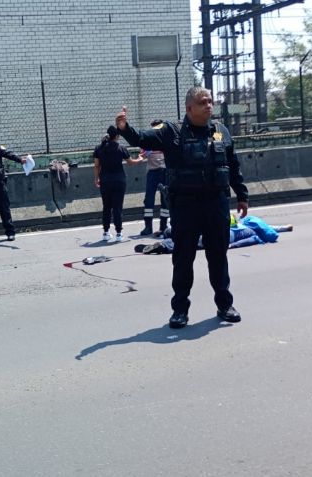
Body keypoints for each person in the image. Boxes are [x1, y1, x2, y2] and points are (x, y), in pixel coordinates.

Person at [116, 86, 249, 329]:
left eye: (210, 101)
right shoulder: (171, 131)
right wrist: (125, 129)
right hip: (185, 206)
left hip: (216, 204)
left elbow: (232, 165)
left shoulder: (221, 132)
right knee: (183, 259)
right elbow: (142, 138)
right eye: (202, 102)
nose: (209, 105)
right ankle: (179, 310)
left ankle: (224, 305)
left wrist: (241, 195)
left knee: (218, 257)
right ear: (189, 108)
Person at [135, 216, 293, 254]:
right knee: (195, 244)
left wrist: (286, 227)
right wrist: (232, 246)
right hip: (227, 236)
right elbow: (252, 239)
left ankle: (166, 235)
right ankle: (164, 245)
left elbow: (274, 228)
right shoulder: (256, 232)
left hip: (216, 228)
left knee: (191, 235)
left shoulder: (245, 221)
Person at [93, 125, 138, 242]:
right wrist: (140, 158)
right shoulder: (121, 148)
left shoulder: (99, 148)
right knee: (117, 207)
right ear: (117, 136)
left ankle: (106, 232)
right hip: (119, 180)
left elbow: (97, 165)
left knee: (106, 207)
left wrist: (96, 178)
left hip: (105, 181)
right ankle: (119, 233)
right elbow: (131, 162)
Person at [129, 120, 169, 236]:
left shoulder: (166, 140)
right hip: (153, 172)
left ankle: (163, 225)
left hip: (164, 171)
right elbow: (143, 154)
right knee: (149, 199)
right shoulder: (149, 141)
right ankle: (148, 227)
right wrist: (138, 158)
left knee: (165, 199)